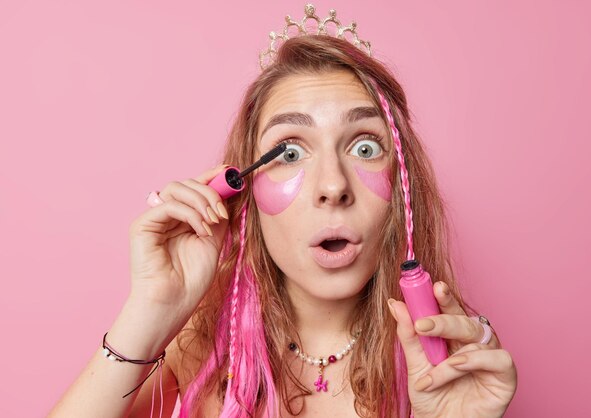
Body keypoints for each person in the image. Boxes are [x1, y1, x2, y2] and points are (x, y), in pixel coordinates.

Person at [50, 4, 517, 417]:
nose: (333, 186)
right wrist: (149, 312)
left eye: (365, 146)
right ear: (244, 192)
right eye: (289, 153)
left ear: (402, 187)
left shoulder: (447, 358)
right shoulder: (202, 341)